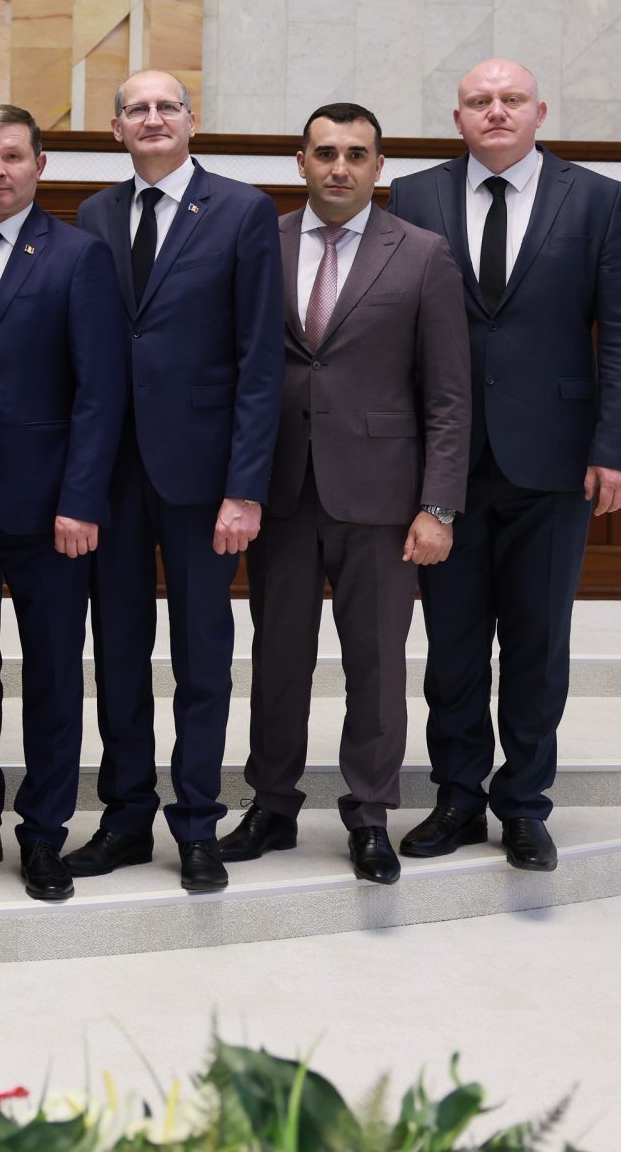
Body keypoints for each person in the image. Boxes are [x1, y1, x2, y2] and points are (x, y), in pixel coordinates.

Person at [387, 60, 621, 871]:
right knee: (453, 645)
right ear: (458, 118)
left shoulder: (595, 198)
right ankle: (458, 798)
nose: (495, 111)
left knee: (537, 643)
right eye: (479, 101)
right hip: (447, 464)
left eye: (511, 100)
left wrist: (616, 449)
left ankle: (525, 804)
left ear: (540, 111)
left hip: (555, 459)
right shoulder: (415, 196)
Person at [224, 103, 469, 885]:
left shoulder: (423, 254)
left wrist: (438, 505)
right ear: (300, 161)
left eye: (356, 154)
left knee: (376, 664)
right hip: (281, 490)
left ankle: (369, 815)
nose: (340, 167)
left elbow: (449, 395)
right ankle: (271, 805)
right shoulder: (259, 242)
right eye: (325, 152)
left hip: (383, 497)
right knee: (277, 659)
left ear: (378, 167)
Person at [73, 69, 283, 895]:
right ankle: (126, 818)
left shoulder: (242, 210)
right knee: (118, 653)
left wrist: (246, 486)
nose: (153, 118)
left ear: (193, 122)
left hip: (204, 477)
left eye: (168, 107)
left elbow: (260, 360)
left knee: (201, 657)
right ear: (116, 128)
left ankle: (196, 824)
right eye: (138, 109)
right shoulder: (94, 213)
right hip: (112, 475)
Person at [0, 104, 120, 903]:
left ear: (40, 165)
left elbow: (100, 392)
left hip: (51, 513)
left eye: (12, 156)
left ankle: (44, 833)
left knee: (51, 676)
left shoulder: (79, 256)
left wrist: (81, 499)